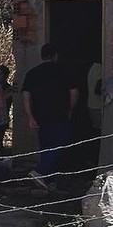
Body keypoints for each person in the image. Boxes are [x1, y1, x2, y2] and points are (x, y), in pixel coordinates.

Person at [21, 43, 78, 190]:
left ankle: (49, 180)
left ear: (42, 56)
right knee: (60, 145)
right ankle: (40, 171)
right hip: (59, 115)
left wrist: (30, 116)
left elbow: (26, 96)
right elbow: (74, 93)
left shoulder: (32, 73)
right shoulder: (64, 71)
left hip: (40, 116)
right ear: (56, 55)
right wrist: (69, 109)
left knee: (46, 148)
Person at [87, 60, 104, 134]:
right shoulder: (100, 69)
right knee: (101, 130)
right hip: (98, 105)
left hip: (91, 104)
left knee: (96, 129)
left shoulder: (92, 68)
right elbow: (98, 89)